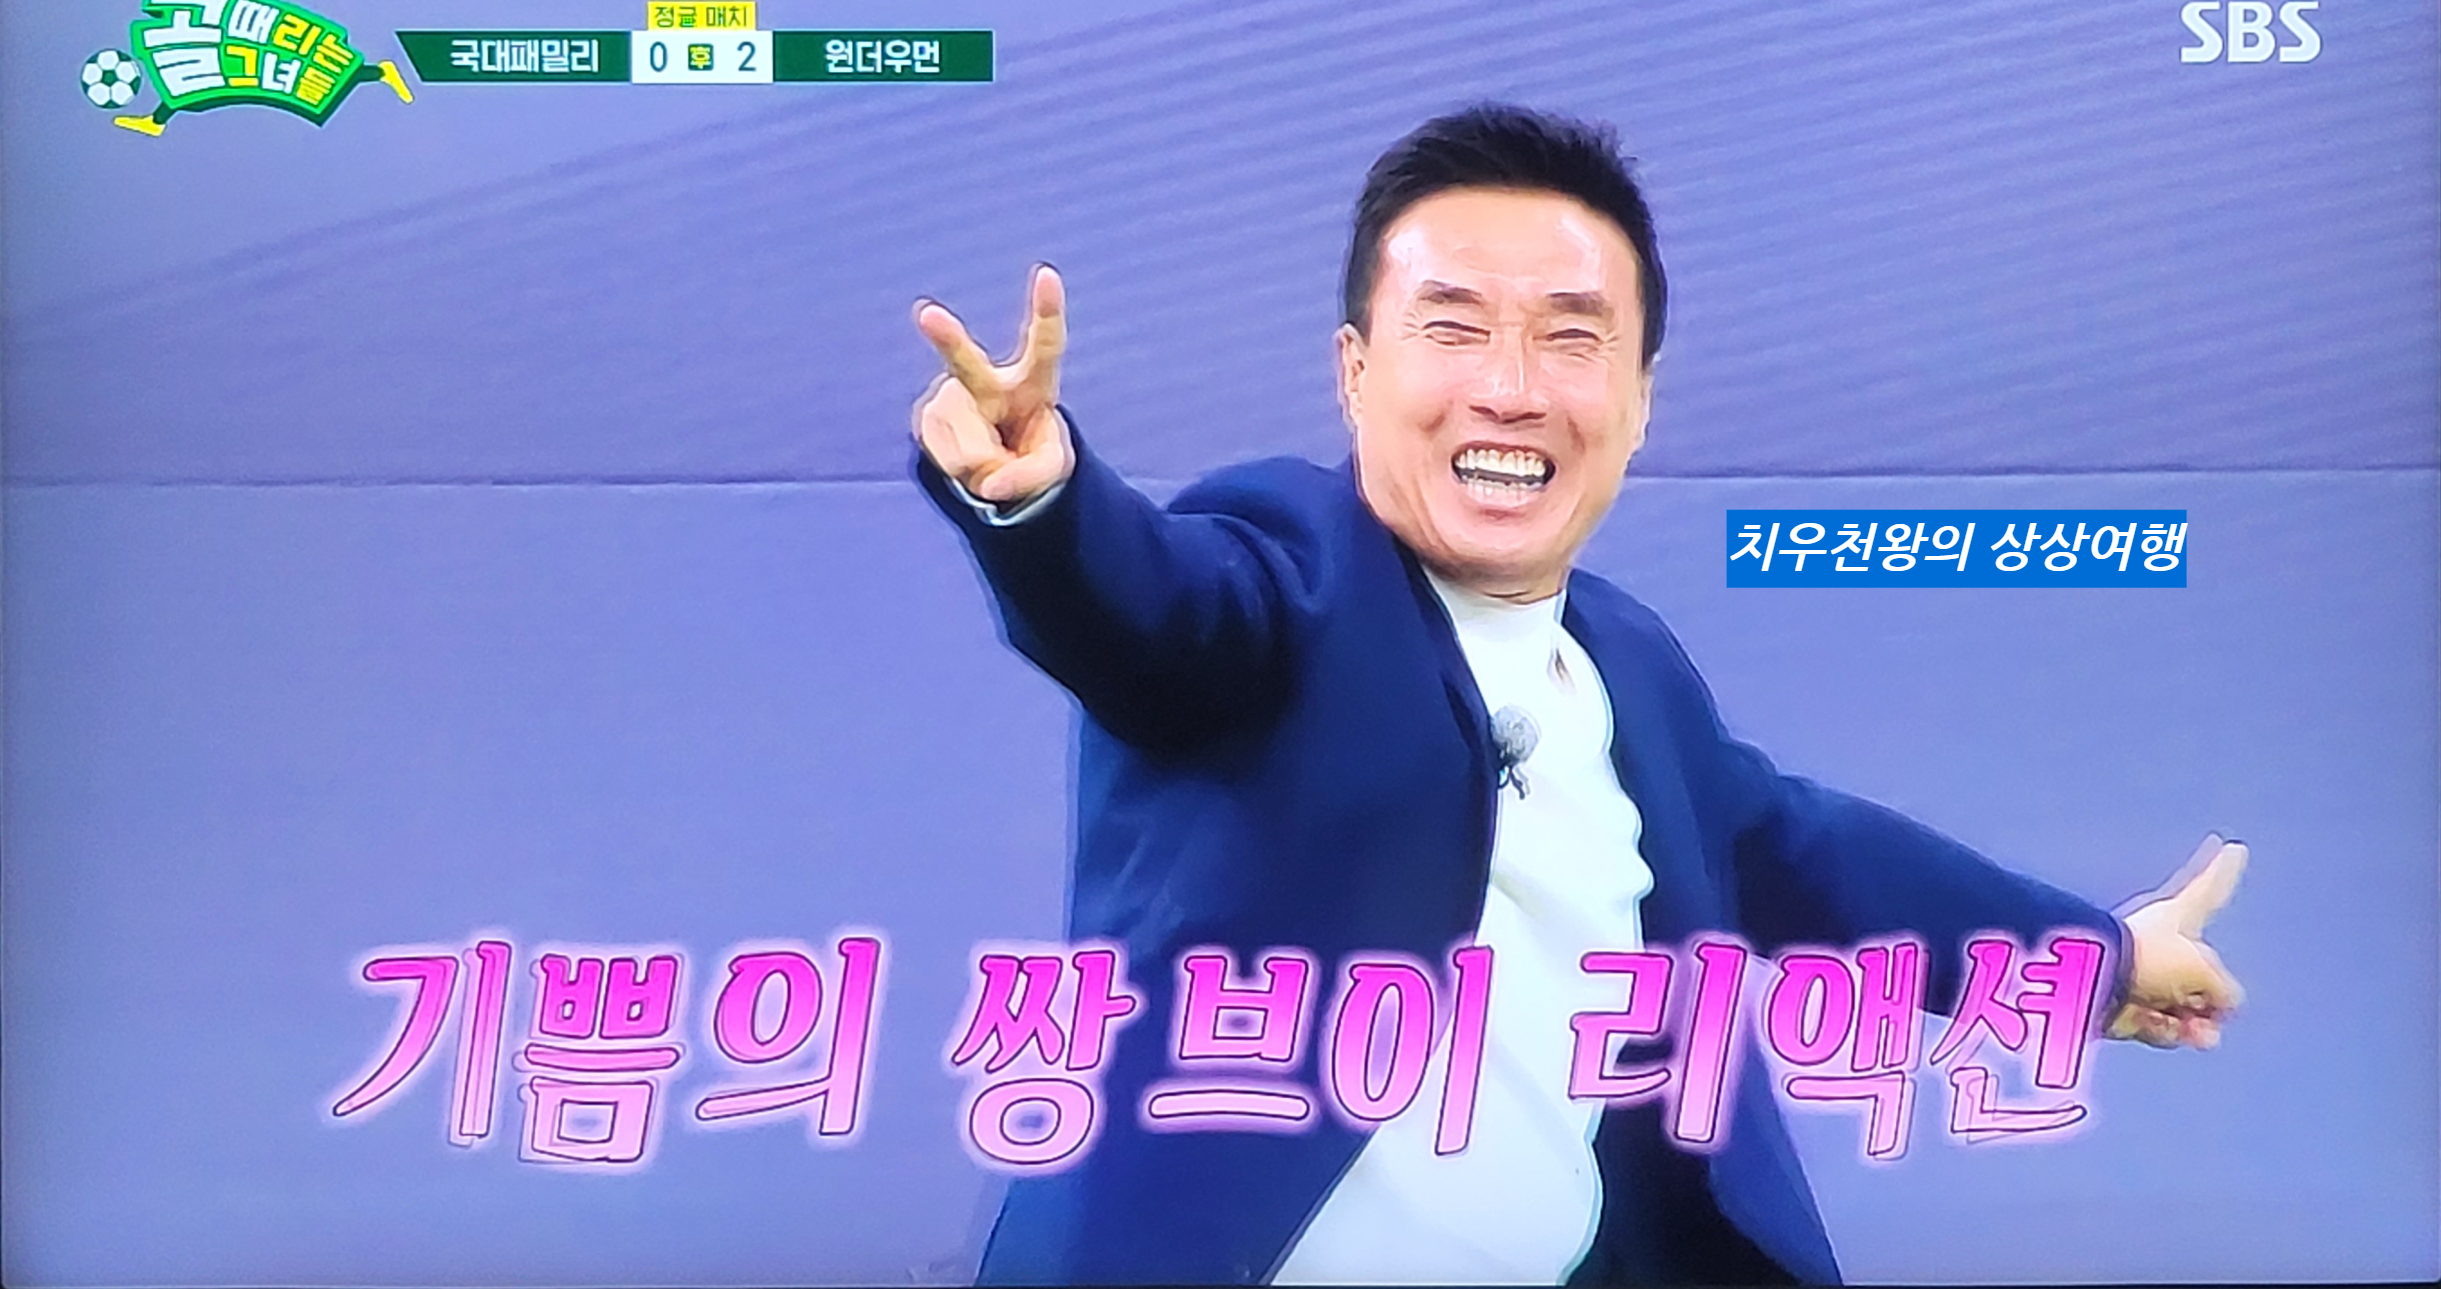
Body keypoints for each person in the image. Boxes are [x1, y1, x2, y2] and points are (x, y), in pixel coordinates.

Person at [908, 104, 2243, 1286]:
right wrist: (1038, 502)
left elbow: (1817, 858)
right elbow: (1148, 608)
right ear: (1356, 372)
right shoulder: (1283, 570)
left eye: (1570, 339)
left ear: (1640, 400)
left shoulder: (1631, 668)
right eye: (1453, 328)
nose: (1509, 390)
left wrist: (2100, 960)